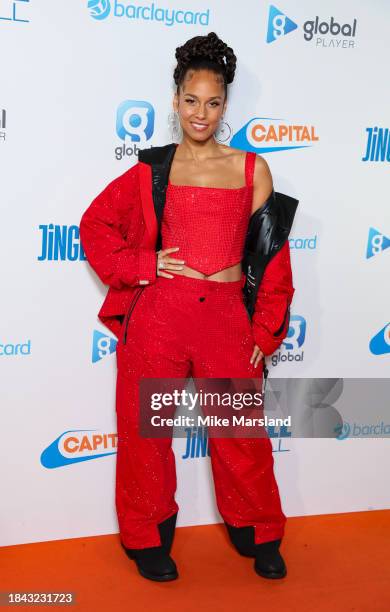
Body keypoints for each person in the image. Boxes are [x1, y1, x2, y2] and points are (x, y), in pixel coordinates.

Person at [80, 31, 296, 583]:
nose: (202, 113)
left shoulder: (253, 170)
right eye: (191, 100)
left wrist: (266, 331)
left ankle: (259, 533)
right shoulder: (151, 168)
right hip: (160, 316)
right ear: (175, 101)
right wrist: (146, 266)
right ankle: (148, 537)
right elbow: (96, 227)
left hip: (226, 316)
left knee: (240, 431)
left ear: (227, 106)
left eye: (214, 102)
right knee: (146, 432)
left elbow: (273, 261)